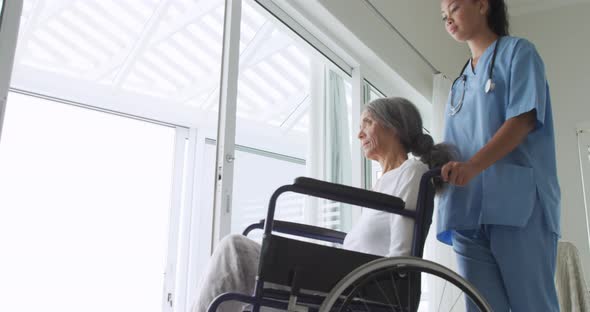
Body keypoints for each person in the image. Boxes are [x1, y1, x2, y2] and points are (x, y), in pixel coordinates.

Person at [192, 97, 455, 312]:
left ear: (393, 127)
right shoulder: (385, 182)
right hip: (340, 280)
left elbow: (401, 256)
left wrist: (381, 291)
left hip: (357, 288)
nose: (358, 133)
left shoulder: (412, 172)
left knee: (235, 250)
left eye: (368, 123)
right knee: (247, 288)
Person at [438, 0, 561, 311]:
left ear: (482, 5)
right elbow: (454, 145)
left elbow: (523, 119)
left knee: (531, 305)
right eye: (443, 15)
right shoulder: (459, 83)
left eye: (453, 8)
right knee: (481, 307)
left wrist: (473, 166)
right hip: (466, 212)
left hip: (516, 205)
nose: (447, 18)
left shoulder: (519, 53)